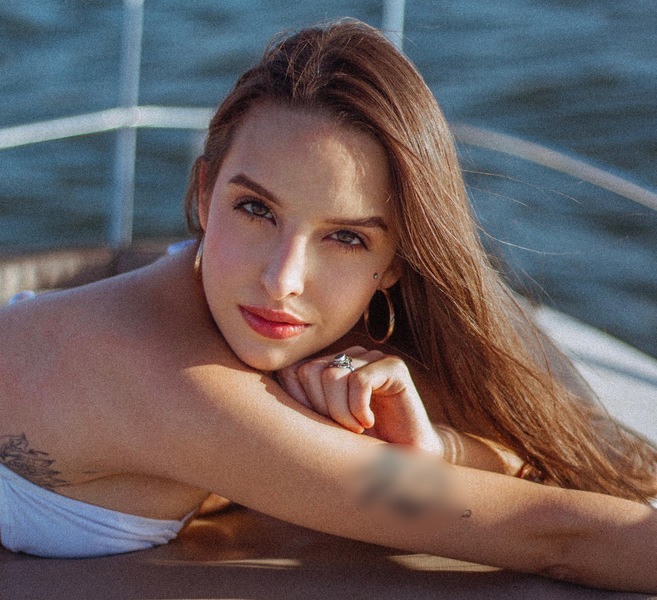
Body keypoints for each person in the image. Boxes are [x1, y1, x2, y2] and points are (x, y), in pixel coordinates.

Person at [0, 18, 656, 592]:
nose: (282, 280)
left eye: (345, 237)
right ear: (204, 194)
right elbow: (557, 538)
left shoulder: (288, 338)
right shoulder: (185, 389)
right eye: (254, 209)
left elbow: (520, 456)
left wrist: (440, 450)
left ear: (394, 262)